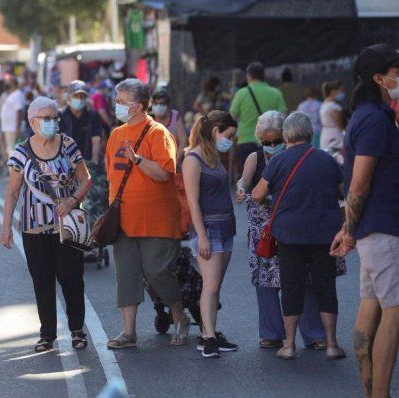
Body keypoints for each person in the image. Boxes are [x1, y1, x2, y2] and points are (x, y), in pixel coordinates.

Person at [330, 43, 399, 398]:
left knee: (372, 308)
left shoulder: (368, 115)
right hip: (383, 228)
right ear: (379, 77)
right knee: (394, 312)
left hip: (374, 228)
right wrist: (350, 230)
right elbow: (358, 184)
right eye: (395, 69)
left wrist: (349, 229)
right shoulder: (374, 119)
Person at [252, 111, 346, 361]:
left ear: (286, 135)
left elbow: (258, 195)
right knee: (325, 288)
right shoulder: (327, 161)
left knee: (292, 288)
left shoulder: (278, 161)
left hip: (289, 235)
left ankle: (289, 345)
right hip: (324, 234)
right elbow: (342, 193)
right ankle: (332, 344)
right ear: (310, 133)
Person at [1, 96, 92, 352]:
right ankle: (47, 334)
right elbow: (12, 192)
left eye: (55, 118)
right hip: (34, 227)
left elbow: (86, 179)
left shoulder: (68, 145)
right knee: (42, 281)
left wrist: (73, 200)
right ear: (32, 122)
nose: (52, 122)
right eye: (46, 118)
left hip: (67, 226)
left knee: (71, 278)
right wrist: (6, 227)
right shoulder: (21, 153)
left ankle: (77, 330)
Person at [104, 79, 189, 350]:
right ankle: (128, 332)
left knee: (156, 274)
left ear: (139, 106)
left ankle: (179, 316)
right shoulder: (116, 134)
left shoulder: (158, 133)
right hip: (124, 220)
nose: (116, 106)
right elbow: (111, 177)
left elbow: (165, 173)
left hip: (157, 220)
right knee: (126, 275)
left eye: (121, 102)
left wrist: (138, 160)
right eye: (116, 100)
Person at [236, 111, 328, 349]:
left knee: (304, 281)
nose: (273, 146)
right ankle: (272, 333)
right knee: (265, 283)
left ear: (286, 136)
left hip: (291, 226)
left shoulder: (293, 156)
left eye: (277, 140)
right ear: (260, 139)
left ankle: (314, 334)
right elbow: (245, 182)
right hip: (264, 231)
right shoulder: (254, 158)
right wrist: (240, 187)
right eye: (267, 142)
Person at [182, 110, 239, 358]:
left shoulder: (214, 156)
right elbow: (193, 202)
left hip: (226, 227)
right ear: (215, 131)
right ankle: (207, 338)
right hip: (208, 230)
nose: (231, 140)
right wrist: (202, 236)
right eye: (229, 135)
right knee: (211, 285)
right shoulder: (193, 159)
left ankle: (211, 332)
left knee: (215, 287)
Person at [229, 62, 288, 172]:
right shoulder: (276, 93)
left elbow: (232, 118)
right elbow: (284, 117)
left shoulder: (241, 93)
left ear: (249, 76)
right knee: (272, 177)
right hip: (271, 143)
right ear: (263, 76)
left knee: (248, 179)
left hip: (246, 140)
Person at [59, 80, 103, 164]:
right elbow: (61, 139)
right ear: (69, 97)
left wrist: (94, 161)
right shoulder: (61, 115)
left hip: (87, 162)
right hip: (67, 164)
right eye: (76, 96)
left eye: (82, 96)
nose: (79, 99)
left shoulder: (93, 116)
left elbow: (96, 140)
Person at [151, 89, 188, 155]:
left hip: (173, 157)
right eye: (156, 103)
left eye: (162, 104)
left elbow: (183, 140)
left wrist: (175, 160)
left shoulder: (175, 116)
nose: (158, 106)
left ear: (167, 106)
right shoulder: (149, 118)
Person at [0, 78, 26, 165]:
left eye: (8, 82)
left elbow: (19, 112)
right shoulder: (12, 94)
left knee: (12, 151)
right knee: (9, 149)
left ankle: (13, 172)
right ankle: (11, 171)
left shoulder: (17, 94)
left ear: (13, 83)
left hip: (12, 128)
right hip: (8, 127)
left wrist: (17, 128)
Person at [319, 80, 347, 164]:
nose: (343, 93)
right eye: (341, 91)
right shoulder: (334, 107)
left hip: (325, 135)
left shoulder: (324, 104)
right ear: (333, 91)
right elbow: (340, 126)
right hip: (335, 137)